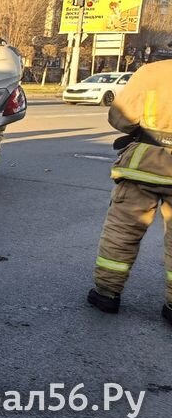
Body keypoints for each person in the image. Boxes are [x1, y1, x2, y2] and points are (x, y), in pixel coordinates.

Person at [86, 57, 172, 322]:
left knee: (122, 231)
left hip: (143, 164)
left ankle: (106, 294)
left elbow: (120, 117)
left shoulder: (152, 72)